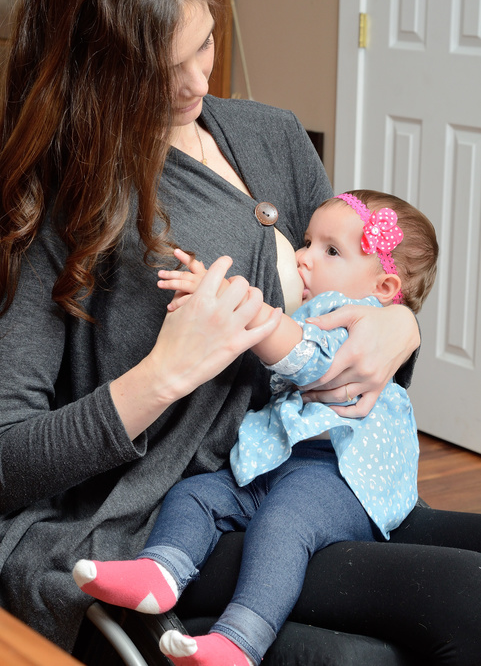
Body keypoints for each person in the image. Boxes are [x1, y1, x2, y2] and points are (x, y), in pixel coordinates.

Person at [0, 0, 479, 664]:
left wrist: (396, 324)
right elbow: (8, 455)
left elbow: (356, 277)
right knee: (442, 612)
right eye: (167, 69)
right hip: (165, 518)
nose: (198, 81)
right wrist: (161, 376)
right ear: (99, 73)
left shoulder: (271, 136)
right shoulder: (56, 205)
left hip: (307, 469)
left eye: (208, 43)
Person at [72, 189, 438, 666]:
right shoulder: (314, 313)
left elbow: (309, 357)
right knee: (197, 495)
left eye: (331, 251)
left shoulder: (353, 322)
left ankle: (240, 640)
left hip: (341, 478)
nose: (303, 258)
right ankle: (158, 572)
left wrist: (238, 308)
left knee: (282, 523)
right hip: (280, 461)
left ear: (385, 290)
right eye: (306, 242)